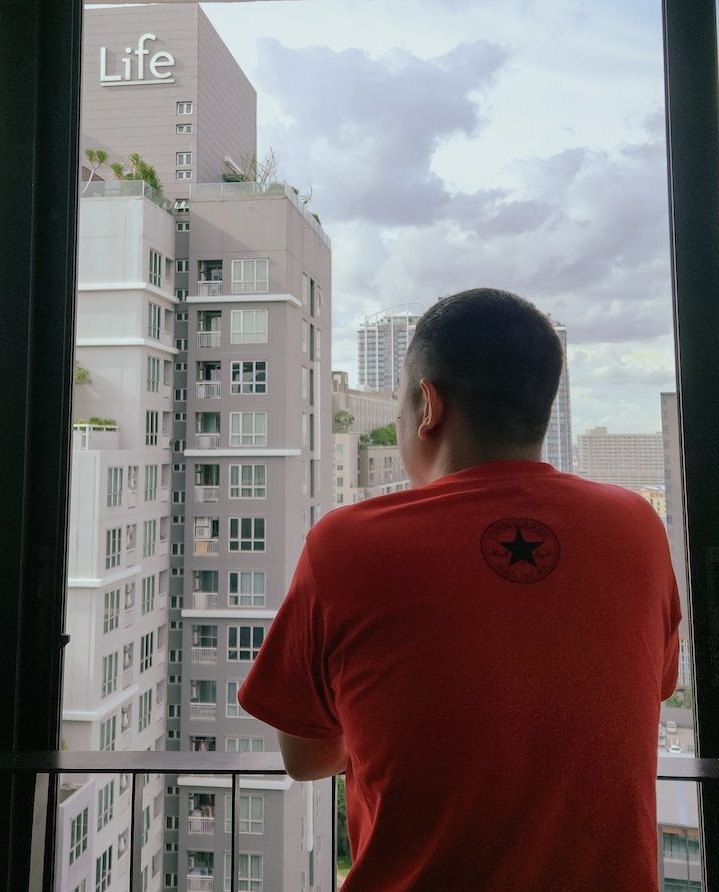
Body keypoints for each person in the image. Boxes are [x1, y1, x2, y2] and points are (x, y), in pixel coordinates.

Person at [238, 287, 681, 890]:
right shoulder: (638, 530)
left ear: (428, 406)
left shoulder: (347, 545)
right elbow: (633, 696)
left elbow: (307, 757)